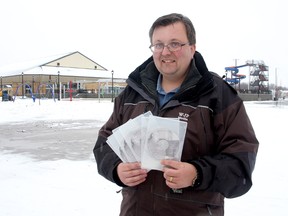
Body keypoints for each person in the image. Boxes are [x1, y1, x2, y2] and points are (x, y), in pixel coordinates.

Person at [93, 13, 259, 215]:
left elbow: (240, 167)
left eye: (174, 44)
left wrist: (197, 173)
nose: (165, 52)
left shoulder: (218, 95)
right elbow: (104, 144)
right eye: (159, 44)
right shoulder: (132, 94)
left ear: (192, 47)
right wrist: (116, 169)